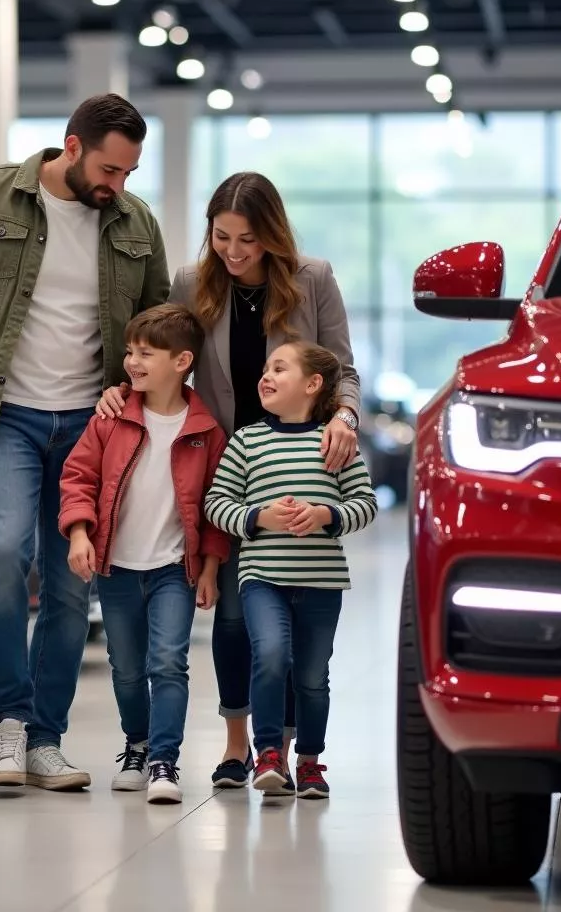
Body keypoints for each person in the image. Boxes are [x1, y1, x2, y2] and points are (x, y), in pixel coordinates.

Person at [0, 94, 170, 791]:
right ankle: (9, 722)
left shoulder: (135, 222)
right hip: (5, 415)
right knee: (3, 552)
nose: (118, 185)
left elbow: (159, 323)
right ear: (73, 147)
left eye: (130, 172)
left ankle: (47, 740)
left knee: (68, 581)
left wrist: (143, 405)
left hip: (92, 423)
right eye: (111, 168)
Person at [96, 171, 361, 787]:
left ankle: (287, 748)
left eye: (249, 239)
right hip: (223, 466)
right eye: (223, 237)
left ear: (273, 234)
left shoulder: (313, 278)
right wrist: (122, 388)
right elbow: (163, 352)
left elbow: (343, 368)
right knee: (237, 617)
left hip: (295, 463)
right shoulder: (193, 282)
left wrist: (344, 415)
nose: (235, 252)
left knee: (295, 620)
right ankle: (239, 743)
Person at [58, 304, 229, 804]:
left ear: (181, 361)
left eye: (144, 353)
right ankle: (136, 744)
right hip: (117, 569)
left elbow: (217, 509)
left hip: (176, 569)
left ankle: (164, 763)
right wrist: (79, 534)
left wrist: (212, 568)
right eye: (130, 351)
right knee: (127, 667)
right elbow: (78, 478)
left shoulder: (205, 431)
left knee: (168, 663)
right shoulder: (111, 420)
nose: (131, 362)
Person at [204, 341, 378, 799]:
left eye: (279, 368)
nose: (265, 375)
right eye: (265, 367)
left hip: (322, 582)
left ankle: (310, 762)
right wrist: (257, 516)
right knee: (271, 656)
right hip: (262, 579)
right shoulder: (246, 440)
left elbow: (365, 504)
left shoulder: (334, 443)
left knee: (312, 676)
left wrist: (326, 514)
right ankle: (267, 755)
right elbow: (216, 504)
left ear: (312, 384)